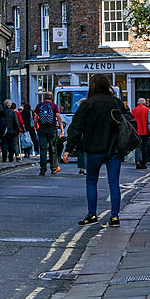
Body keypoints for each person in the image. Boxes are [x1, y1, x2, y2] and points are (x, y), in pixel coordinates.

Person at [63, 74, 124, 226]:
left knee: (91, 181)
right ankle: (115, 216)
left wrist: (68, 149)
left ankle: (92, 215)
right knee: (114, 183)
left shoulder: (87, 104)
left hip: (94, 148)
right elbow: (128, 123)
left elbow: (76, 128)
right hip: (114, 148)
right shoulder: (116, 103)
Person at [34, 91, 64, 176]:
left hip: (42, 129)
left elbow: (35, 118)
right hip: (51, 129)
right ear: (52, 98)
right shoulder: (54, 106)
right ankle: (54, 168)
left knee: (43, 149)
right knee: (53, 148)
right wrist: (62, 129)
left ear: (44, 97)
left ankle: (43, 169)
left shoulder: (39, 105)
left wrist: (37, 127)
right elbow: (58, 117)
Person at [132, 97, 150, 170]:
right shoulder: (147, 110)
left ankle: (138, 161)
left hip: (136, 132)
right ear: (144, 103)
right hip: (145, 132)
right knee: (144, 147)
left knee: (137, 147)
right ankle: (143, 162)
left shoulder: (133, 111)